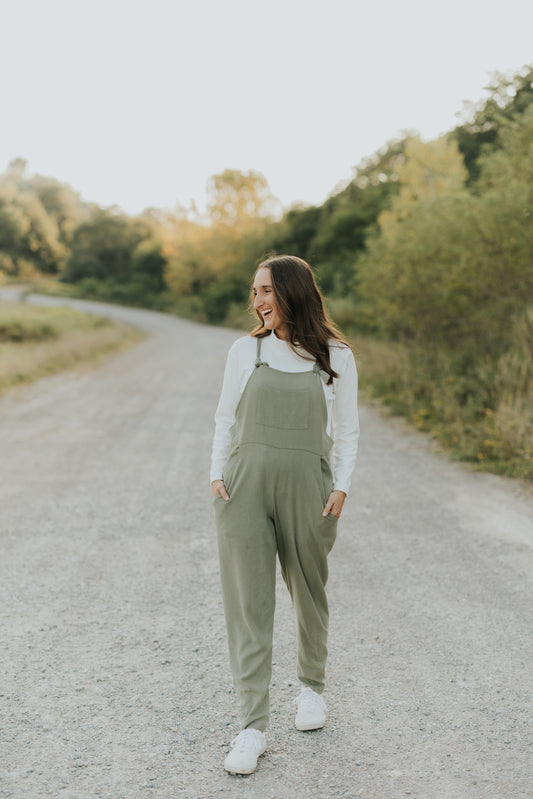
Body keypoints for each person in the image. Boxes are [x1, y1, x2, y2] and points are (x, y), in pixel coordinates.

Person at [211, 254, 359, 775]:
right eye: (254, 292)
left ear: (293, 291)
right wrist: (215, 475)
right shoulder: (244, 351)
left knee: (308, 589)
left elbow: (348, 429)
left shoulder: (335, 355)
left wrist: (341, 486)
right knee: (248, 606)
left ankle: (312, 690)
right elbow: (224, 417)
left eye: (266, 290)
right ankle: (251, 727)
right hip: (243, 486)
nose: (258, 301)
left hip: (310, 488)